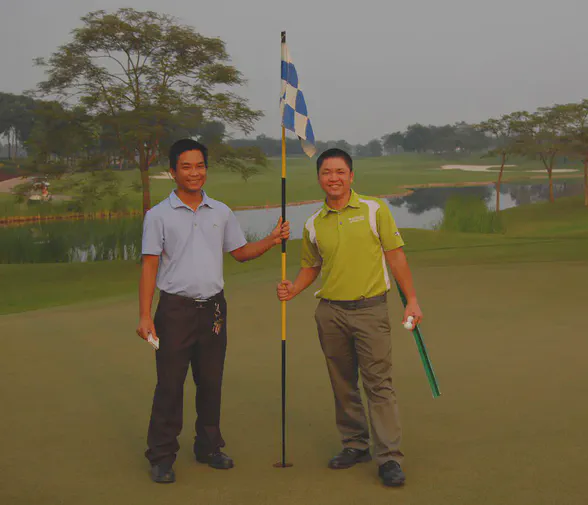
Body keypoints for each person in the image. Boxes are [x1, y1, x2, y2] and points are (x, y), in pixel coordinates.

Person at [137, 138, 290, 484]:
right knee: (170, 385)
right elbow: (149, 266)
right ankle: (161, 455)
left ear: (207, 168)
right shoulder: (158, 216)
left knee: (211, 382)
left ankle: (208, 446)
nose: (195, 172)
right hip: (174, 310)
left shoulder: (220, 211)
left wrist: (272, 239)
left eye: (200, 165)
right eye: (186, 166)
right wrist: (145, 315)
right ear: (173, 171)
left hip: (214, 310)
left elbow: (239, 252)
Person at [277, 148, 422, 487]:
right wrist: (293, 289)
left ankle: (389, 458)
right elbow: (311, 267)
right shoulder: (314, 223)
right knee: (343, 383)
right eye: (327, 172)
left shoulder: (375, 209)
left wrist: (411, 300)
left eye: (340, 171)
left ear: (351, 176)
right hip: (331, 313)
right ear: (319, 178)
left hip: (370, 309)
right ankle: (355, 445)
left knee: (379, 385)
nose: (334, 178)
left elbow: (396, 257)